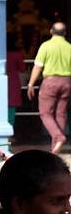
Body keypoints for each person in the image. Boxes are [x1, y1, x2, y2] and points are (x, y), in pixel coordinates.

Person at [27, 22, 71, 153]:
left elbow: (38, 66)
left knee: (45, 112)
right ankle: (56, 147)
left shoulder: (46, 46)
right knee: (61, 113)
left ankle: (58, 137)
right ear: (65, 33)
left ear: (51, 31)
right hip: (67, 82)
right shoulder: (69, 47)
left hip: (50, 81)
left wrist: (31, 84)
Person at [7, 33, 26, 128]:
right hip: (13, 82)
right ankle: (10, 131)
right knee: (11, 107)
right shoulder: (17, 54)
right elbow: (22, 69)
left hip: (1, 82)